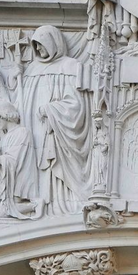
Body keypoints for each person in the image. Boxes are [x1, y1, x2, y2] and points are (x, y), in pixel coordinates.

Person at [19, 25, 91, 214]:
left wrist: (50, 110)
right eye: (36, 45)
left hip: (56, 132)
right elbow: (22, 104)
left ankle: (62, 203)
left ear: (53, 43)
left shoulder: (70, 66)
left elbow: (76, 105)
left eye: (41, 44)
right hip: (35, 131)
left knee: (55, 165)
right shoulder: (32, 69)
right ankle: (41, 203)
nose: (38, 49)